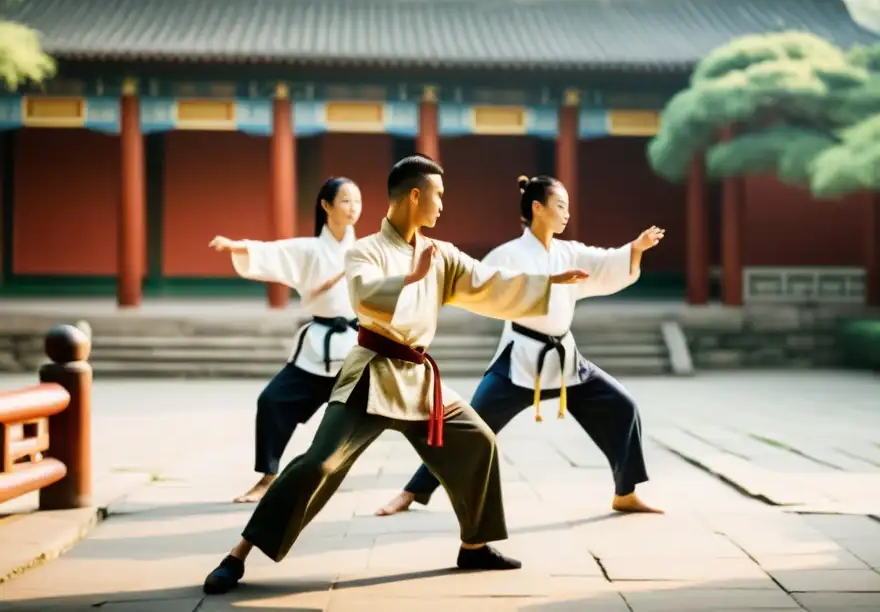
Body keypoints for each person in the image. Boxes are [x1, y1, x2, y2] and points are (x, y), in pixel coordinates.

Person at [202, 155, 590, 595]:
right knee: (319, 462)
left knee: (478, 440)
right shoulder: (365, 250)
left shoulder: (440, 253)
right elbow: (365, 297)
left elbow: (489, 281)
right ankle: (237, 555)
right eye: (438, 195)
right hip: (372, 375)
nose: (443, 205)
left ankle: (474, 544)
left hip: (420, 381)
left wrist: (546, 282)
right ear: (414, 195)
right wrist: (411, 276)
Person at [376, 174, 665, 519]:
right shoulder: (509, 255)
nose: (566, 213)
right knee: (470, 427)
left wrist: (634, 249)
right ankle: (412, 491)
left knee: (623, 407)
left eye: (567, 207)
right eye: (560, 206)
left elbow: (605, 263)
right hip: (519, 361)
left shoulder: (569, 251)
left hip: (565, 360)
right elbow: (481, 284)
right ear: (537, 208)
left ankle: (626, 492)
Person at [209, 177, 363, 504]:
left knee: (390, 413)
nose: (354, 209)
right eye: (347, 201)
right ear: (326, 206)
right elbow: (274, 252)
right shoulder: (309, 249)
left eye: (358, 202)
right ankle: (268, 476)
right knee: (273, 402)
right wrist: (235, 246)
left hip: (354, 348)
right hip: (317, 347)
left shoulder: (366, 251)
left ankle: (419, 481)